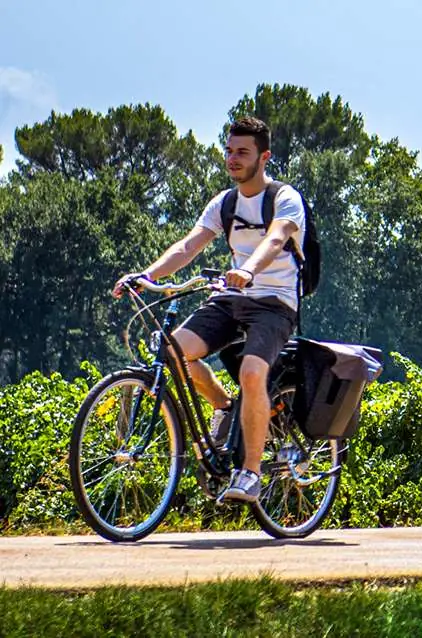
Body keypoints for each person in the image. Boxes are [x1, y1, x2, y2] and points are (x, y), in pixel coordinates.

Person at [111, 116, 306, 504]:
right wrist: (145, 275)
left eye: (242, 153)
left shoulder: (285, 199)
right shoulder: (225, 203)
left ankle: (250, 473)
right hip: (232, 297)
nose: (232, 159)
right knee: (170, 350)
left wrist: (248, 269)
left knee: (253, 371)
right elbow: (189, 246)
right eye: (230, 151)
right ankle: (224, 406)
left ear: (263, 157)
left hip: (274, 302)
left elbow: (276, 238)